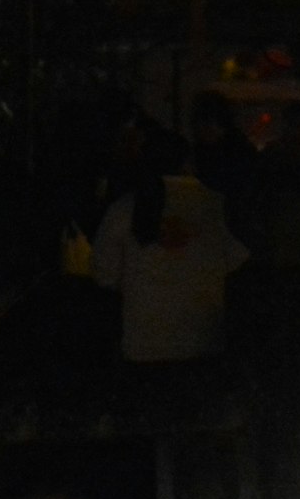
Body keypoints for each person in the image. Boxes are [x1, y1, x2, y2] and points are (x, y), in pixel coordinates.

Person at [88, 134, 249, 363]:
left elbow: (104, 274)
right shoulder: (215, 205)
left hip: (144, 344)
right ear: (187, 163)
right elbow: (237, 259)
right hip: (203, 342)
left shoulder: (125, 209)